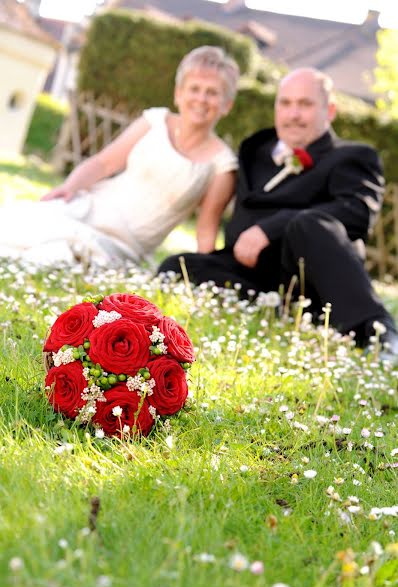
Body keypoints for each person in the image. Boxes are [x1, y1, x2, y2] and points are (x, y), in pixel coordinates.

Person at [159, 67, 398, 362]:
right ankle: (273, 310)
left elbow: (357, 213)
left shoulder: (353, 156)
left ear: (330, 110)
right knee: (176, 265)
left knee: (307, 223)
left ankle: (378, 332)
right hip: (255, 275)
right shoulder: (255, 149)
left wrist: (270, 228)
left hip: (314, 277)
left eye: (305, 104)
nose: (293, 114)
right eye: (285, 103)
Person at [0, 46, 239, 266]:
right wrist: (69, 187)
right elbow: (104, 163)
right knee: (23, 223)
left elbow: (207, 228)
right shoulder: (154, 122)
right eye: (194, 89)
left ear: (227, 105)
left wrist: (205, 275)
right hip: (91, 206)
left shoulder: (222, 164)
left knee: (54, 256)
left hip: (121, 245)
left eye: (212, 93)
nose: (201, 99)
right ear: (178, 93)